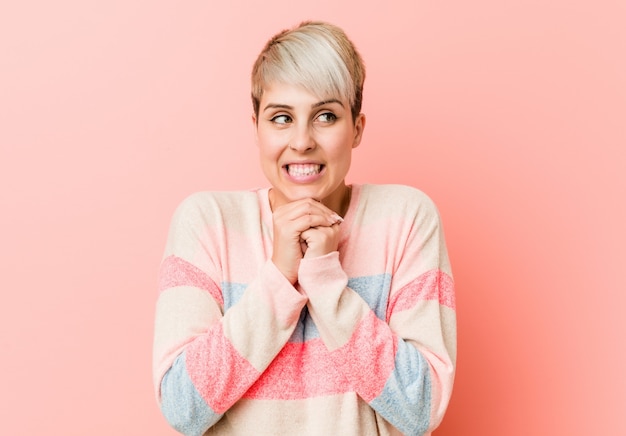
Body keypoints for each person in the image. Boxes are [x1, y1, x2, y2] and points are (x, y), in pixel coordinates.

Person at [152, 21, 456, 436]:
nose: (301, 141)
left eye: (325, 116)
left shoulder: (405, 218)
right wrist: (278, 277)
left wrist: (326, 283)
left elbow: (420, 409)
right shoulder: (208, 223)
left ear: (357, 129)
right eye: (281, 118)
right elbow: (183, 408)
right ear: (256, 126)